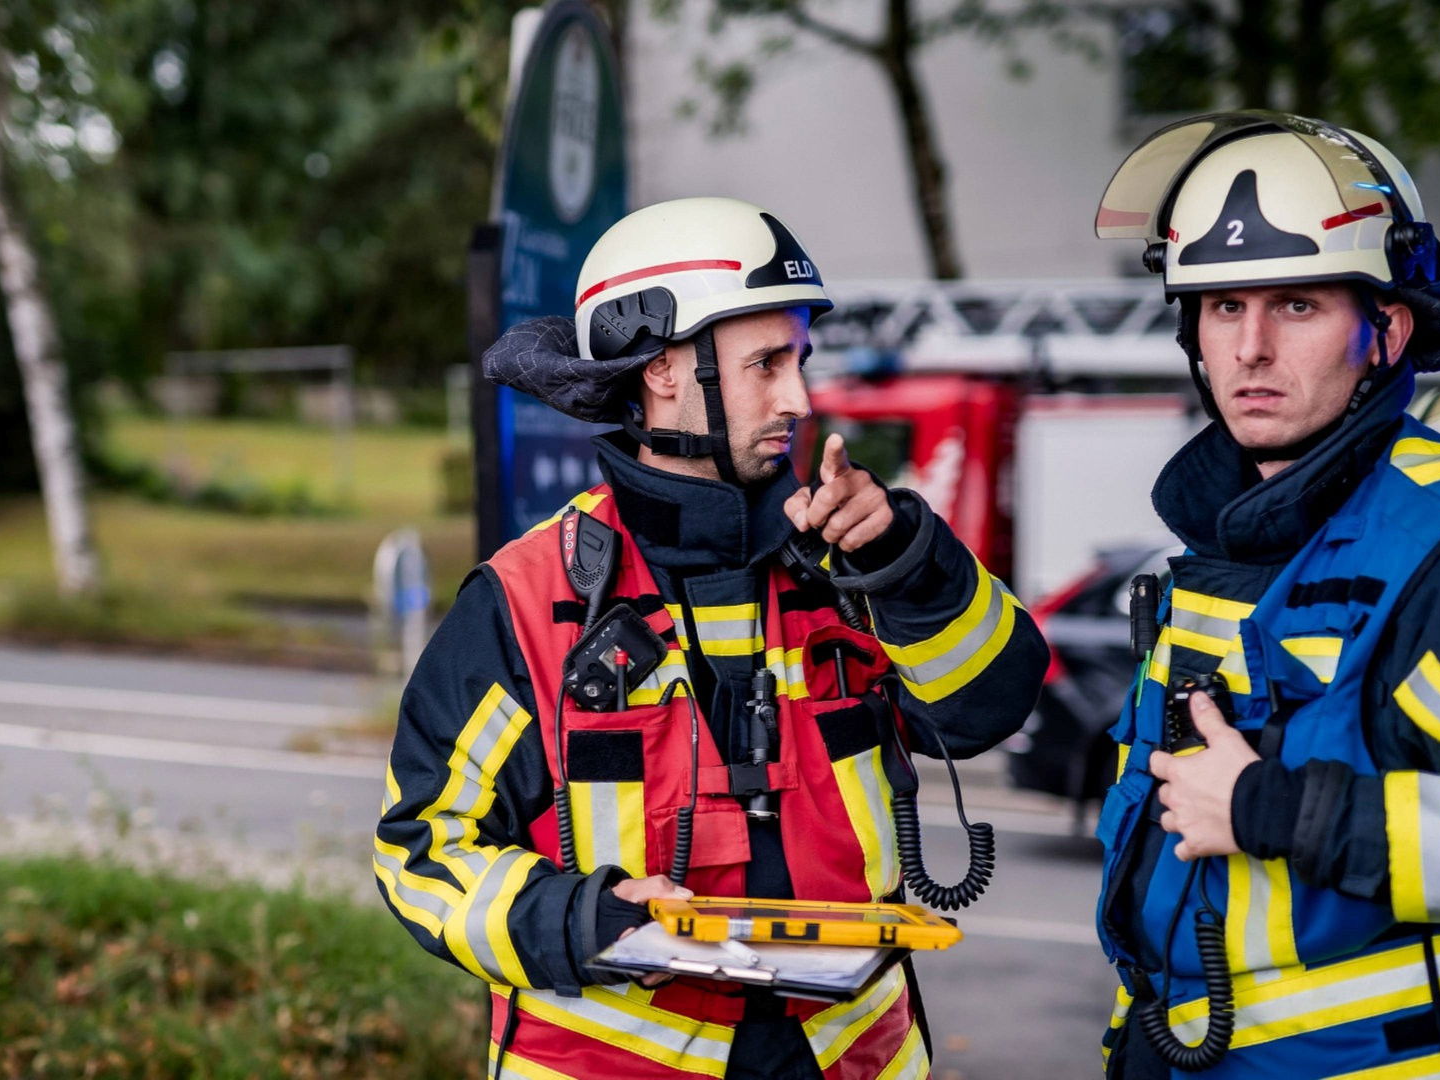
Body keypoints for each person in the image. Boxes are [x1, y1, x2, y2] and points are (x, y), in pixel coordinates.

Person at [374, 196, 1048, 1079]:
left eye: (798, 361)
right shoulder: (524, 601)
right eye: (765, 363)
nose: (799, 398)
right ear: (661, 371)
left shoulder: (852, 558)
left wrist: (905, 565)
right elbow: (419, 851)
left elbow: (989, 706)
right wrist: (583, 918)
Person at [1090, 112, 1440, 1078]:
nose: (1252, 348)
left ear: (1387, 330)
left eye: (1297, 305)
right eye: (1224, 308)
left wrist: (1272, 807)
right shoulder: (1221, 545)